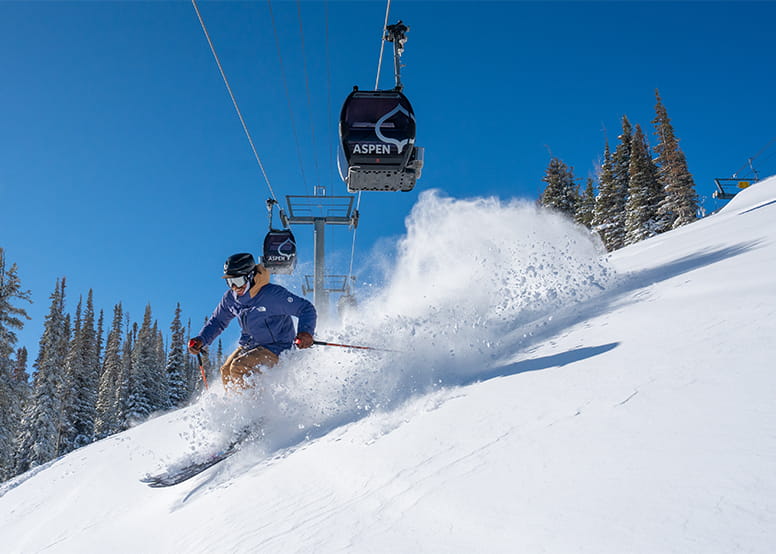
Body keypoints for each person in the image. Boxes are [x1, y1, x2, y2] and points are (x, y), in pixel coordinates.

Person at [188, 252, 316, 390]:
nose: (235, 288)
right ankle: (233, 406)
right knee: (226, 371)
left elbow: (306, 309)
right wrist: (202, 339)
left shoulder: (271, 295)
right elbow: (218, 321)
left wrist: (305, 332)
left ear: (250, 276)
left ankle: (253, 408)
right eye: (230, 282)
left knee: (239, 367)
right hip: (250, 345)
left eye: (238, 281)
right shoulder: (230, 299)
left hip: (277, 347)